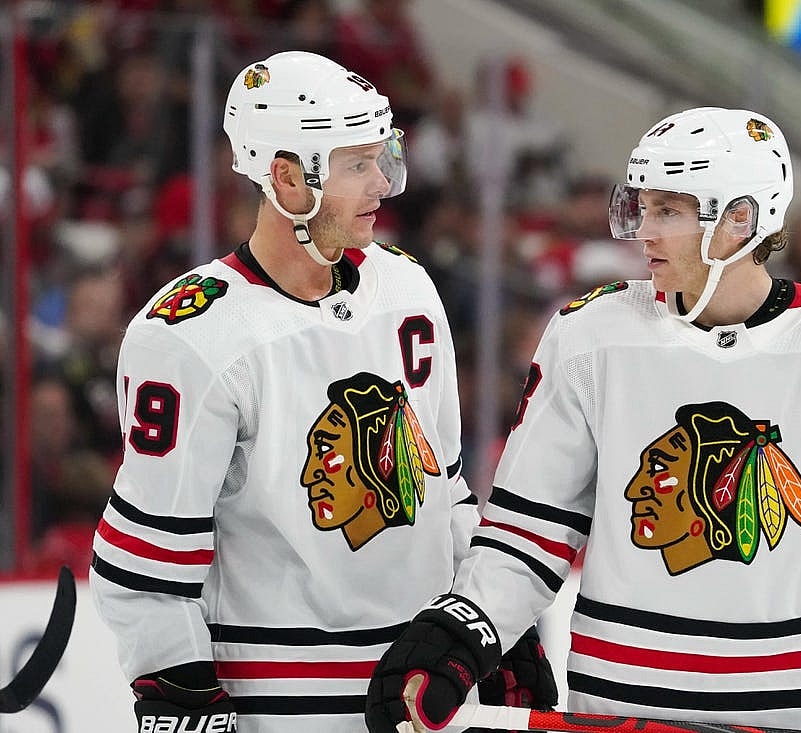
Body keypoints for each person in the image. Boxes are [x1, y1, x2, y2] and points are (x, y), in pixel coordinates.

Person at [365, 108, 801, 733]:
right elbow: (528, 533)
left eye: (669, 210)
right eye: (643, 206)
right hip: (625, 713)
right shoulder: (590, 335)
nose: (645, 231)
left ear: (741, 220)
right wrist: (463, 630)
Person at [88, 51, 554, 733]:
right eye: (356, 165)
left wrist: (496, 624)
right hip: (281, 709)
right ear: (284, 176)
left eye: (381, 156)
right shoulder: (191, 336)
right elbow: (146, 569)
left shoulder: (406, 290)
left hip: (421, 699)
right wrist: (179, 688)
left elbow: (446, 494)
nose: (382, 185)